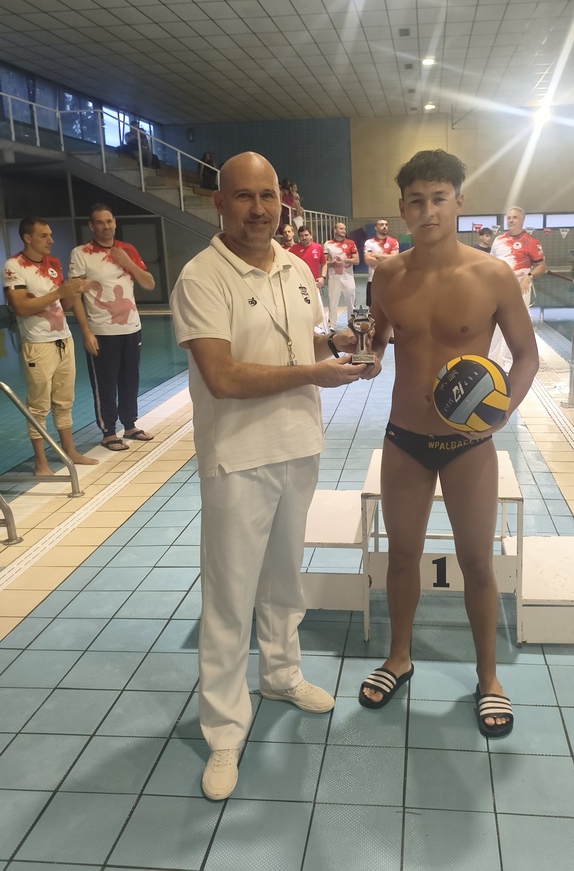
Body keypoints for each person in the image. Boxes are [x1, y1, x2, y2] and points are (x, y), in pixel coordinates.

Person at [169, 151, 374, 802]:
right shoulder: (202, 277)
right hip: (237, 456)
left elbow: (315, 340)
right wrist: (316, 373)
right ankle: (225, 729)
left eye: (269, 197)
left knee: (285, 580)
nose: (260, 209)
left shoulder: (295, 270)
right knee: (230, 598)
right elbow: (223, 377)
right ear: (220, 204)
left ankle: (281, 675)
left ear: (282, 202)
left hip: (297, 446)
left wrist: (349, 348)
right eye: (245, 197)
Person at [357, 150, 539, 738]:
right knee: (403, 556)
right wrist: (364, 353)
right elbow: (380, 340)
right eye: (416, 200)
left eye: (439, 198)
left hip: (468, 444)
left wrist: (502, 410)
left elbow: (527, 354)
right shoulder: (386, 275)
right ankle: (399, 656)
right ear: (403, 208)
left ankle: (489, 677)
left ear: (459, 202)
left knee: (478, 563)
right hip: (405, 439)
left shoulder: (491, 275)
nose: (428, 210)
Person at [2, 218, 99, 475]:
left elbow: (65, 304)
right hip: (37, 343)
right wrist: (59, 293)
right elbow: (20, 307)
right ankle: (41, 463)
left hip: (63, 339)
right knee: (38, 405)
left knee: (65, 400)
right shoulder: (14, 266)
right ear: (28, 238)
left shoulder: (53, 264)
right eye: (44, 236)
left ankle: (70, 450)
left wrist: (75, 290)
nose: (51, 240)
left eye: (50, 235)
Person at [69, 204, 156, 451]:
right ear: (91, 225)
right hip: (101, 331)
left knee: (131, 379)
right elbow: (75, 296)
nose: (105, 226)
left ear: (115, 222)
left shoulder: (127, 250)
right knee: (105, 382)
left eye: (109, 221)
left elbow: (149, 283)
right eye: (100, 222)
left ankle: (130, 424)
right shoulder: (81, 253)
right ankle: (108, 431)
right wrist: (85, 331)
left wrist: (128, 262)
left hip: (131, 328)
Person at [489, 206, 547, 370]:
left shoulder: (531, 242)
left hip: (519, 289)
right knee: (494, 326)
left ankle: (509, 365)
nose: (511, 220)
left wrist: (528, 278)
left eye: (514, 217)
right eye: (508, 218)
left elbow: (542, 266)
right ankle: (490, 363)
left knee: (512, 326)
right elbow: (491, 263)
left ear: (522, 219)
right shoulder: (499, 240)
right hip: (498, 289)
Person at [323, 222, 359, 332]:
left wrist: (346, 260)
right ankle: (332, 325)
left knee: (350, 302)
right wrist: (333, 263)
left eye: (344, 229)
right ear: (335, 230)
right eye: (341, 228)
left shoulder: (351, 243)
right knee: (333, 302)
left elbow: (357, 260)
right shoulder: (328, 244)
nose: (343, 230)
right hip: (334, 277)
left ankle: (351, 322)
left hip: (348, 277)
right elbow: (324, 262)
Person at [363, 218, 399, 306]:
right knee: (373, 308)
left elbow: (395, 258)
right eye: (381, 225)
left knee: (391, 306)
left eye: (386, 225)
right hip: (373, 279)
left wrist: (377, 255)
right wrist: (387, 258)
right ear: (375, 227)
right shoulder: (369, 242)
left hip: (390, 279)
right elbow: (367, 260)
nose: (384, 227)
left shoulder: (393, 242)